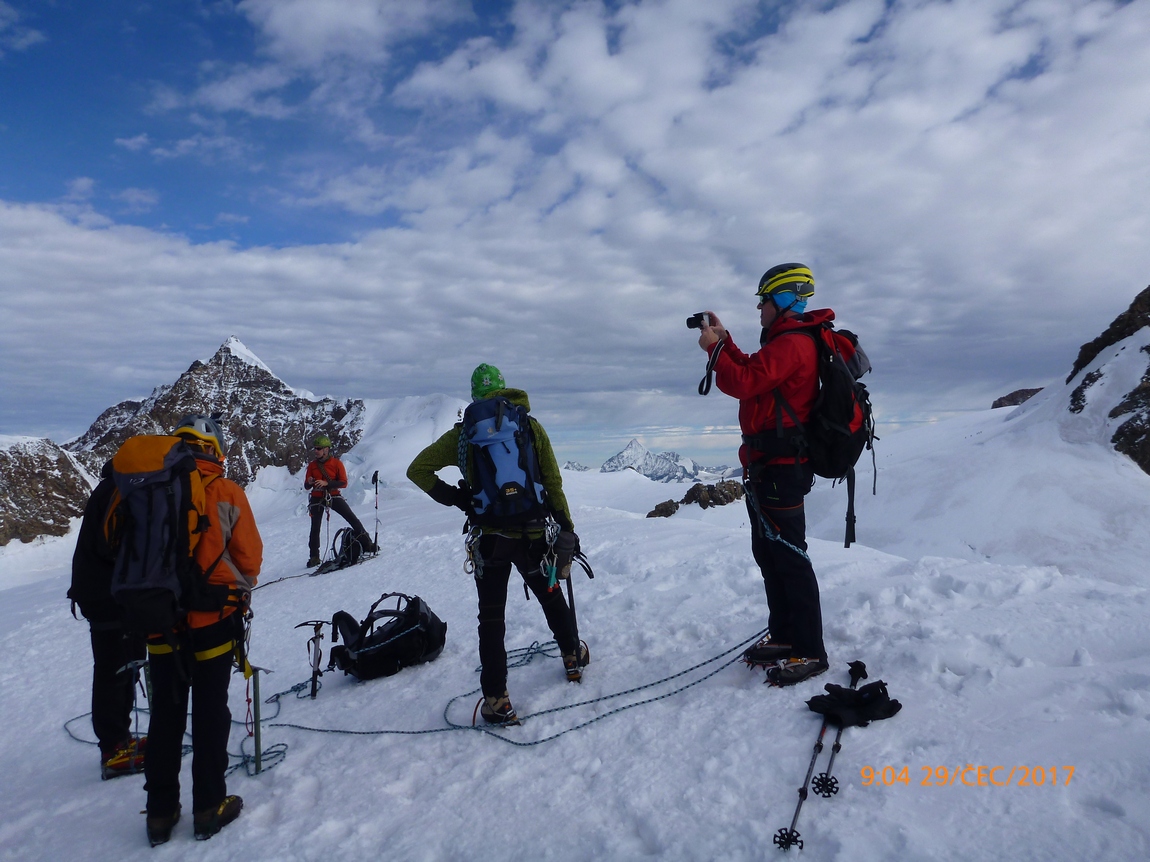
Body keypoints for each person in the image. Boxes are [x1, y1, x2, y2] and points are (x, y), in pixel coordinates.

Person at [406, 364, 587, 724]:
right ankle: (572, 657)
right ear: (504, 389)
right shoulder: (529, 427)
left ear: (474, 395)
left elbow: (418, 470)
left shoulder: (464, 436)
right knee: (551, 595)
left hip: (490, 540)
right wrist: (566, 526)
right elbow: (552, 481)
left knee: (491, 618)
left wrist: (459, 499)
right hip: (533, 534)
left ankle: (497, 699)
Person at [697, 263, 830, 687]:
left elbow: (744, 382)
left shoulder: (792, 344)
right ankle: (787, 635)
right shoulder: (784, 343)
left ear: (783, 299)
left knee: (789, 558)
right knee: (771, 554)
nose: (759, 308)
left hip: (781, 469)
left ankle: (809, 649)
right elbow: (756, 372)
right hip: (770, 467)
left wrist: (714, 352)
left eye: (763, 300)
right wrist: (726, 342)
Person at [144, 414, 262, 845]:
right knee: (211, 712)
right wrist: (239, 591)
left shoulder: (150, 488)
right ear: (215, 451)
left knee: (165, 715)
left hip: (160, 622)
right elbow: (249, 557)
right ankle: (209, 806)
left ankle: (160, 813)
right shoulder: (226, 491)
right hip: (213, 618)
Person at [68, 460, 147, 780]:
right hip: (109, 597)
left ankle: (120, 740)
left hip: (103, 594)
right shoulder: (119, 492)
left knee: (121, 666)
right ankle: (114, 748)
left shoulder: (112, 489)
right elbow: (113, 547)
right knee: (115, 669)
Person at [304, 435, 373, 567]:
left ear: (326, 449)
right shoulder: (312, 466)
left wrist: (326, 483)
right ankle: (314, 557)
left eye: (319, 448)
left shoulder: (336, 464)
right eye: (315, 448)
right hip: (318, 497)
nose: (316, 451)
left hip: (332, 495)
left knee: (351, 518)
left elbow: (343, 482)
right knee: (315, 528)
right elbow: (307, 486)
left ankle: (367, 543)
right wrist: (310, 482)